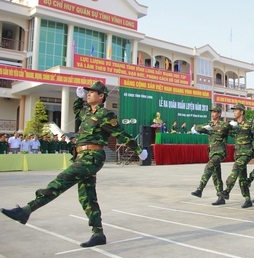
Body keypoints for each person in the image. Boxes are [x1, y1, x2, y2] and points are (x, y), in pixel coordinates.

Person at [1, 81, 148, 248]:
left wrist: (138, 150)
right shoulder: (86, 112)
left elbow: (120, 134)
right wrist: (78, 99)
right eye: (88, 92)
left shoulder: (106, 115)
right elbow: (77, 110)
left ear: (101, 96)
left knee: (61, 180)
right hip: (81, 156)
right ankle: (98, 234)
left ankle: (26, 210)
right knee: (87, 196)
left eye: (92, 92)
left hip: (92, 157)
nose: (89, 94)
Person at [191, 106, 231, 205]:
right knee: (216, 175)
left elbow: (230, 128)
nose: (213, 114)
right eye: (212, 112)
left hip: (220, 152)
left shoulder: (223, 125)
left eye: (215, 112)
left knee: (209, 167)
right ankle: (220, 198)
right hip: (212, 153)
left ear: (219, 114)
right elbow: (196, 128)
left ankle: (200, 189)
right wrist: (204, 128)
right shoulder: (209, 124)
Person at [219, 103, 254, 208]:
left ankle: (227, 190)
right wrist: (228, 126)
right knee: (242, 177)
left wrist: (238, 127)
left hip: (247, 152)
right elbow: (223, 131)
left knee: (236, 167)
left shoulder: (249, 124)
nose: (234, 112)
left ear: (242, 112)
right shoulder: (233, 125)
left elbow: (249, 131)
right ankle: (248, 199)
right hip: (238, 153)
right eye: (233, 110)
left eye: (236, 110)